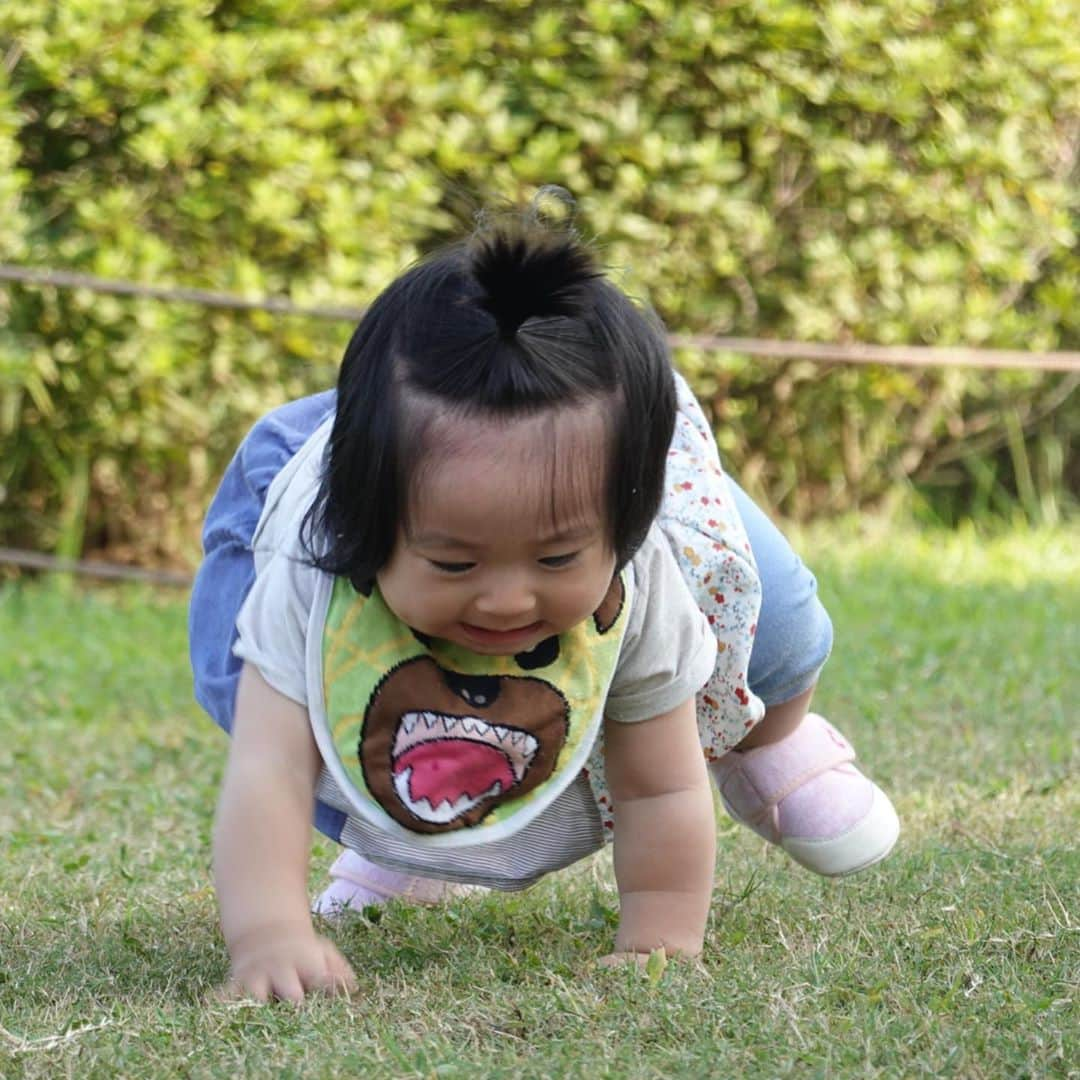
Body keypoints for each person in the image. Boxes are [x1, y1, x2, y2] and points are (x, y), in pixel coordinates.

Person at [190, 211, 899, 1002]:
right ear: (368, 533)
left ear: (624, 536)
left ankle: (770, 744)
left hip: (603, 467)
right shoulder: (309, 573)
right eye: (454, 562)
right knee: (238, 682)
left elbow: (656, 786)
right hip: (331, 454)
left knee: (786, 637)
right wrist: (272, 934)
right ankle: (408, 833)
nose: (505, 599)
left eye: (555, 560)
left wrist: (660, 938)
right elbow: (271, 770)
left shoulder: (644, 575)